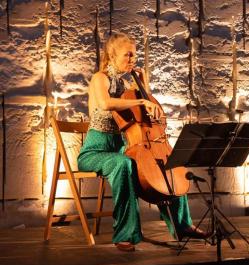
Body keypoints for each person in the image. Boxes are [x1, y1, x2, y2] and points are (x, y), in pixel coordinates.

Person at [77, 33, 207, 252]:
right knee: (124, 164)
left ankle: (182, 225)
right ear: (112, 55)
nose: (132, 59)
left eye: (134, 55)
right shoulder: (100, 78)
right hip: (96, 150)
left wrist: (145, 85)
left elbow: (147, 116)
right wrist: (141, 99)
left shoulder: (127, 85)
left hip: (121, 147)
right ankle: (125, 234)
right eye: (128, 55)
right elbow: (105, 103)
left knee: (166, 164)